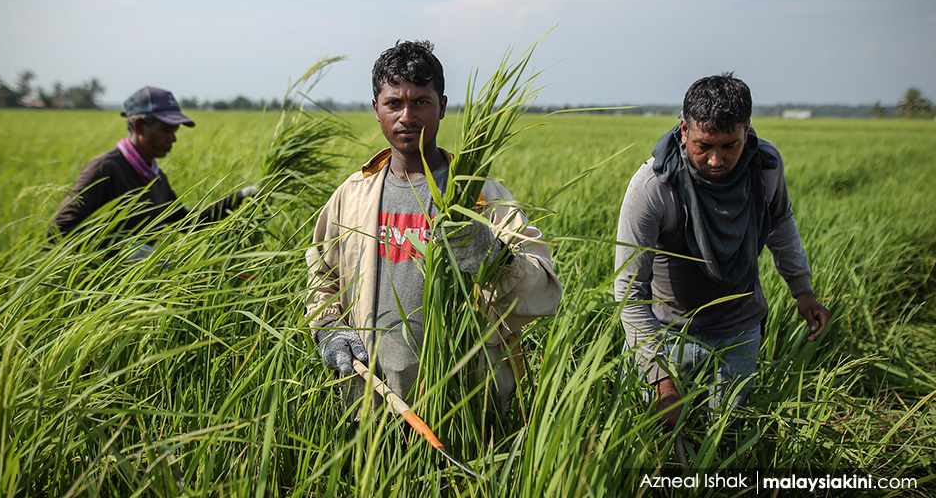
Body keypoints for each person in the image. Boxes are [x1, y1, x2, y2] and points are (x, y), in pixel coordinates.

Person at [305, 40, 562, 417]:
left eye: (421, 102)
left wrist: (491, 255)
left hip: (467, 402)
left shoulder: (479, 196)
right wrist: (327, 327)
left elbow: (543, 287)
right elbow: (322, 273)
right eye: (394, 103)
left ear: (442, 106)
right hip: (371, 402)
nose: (407, 115)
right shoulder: (352, 196)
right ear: (376, 109)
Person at [614, 73, 831, 428]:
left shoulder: (765, 168)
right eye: (703, 146)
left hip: (739, 334)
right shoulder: (654, 188)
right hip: (667, 335)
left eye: (730, 145)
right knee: (652, 443)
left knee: (724, 439)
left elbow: (780, 224)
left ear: (747, 130)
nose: (716, 160)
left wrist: (802, 290)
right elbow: (629, 291)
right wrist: (661, 379)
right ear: (684, 131)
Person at [48, 86, 257, 255]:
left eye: (175, 131)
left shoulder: (155, 178)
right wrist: (123, 252)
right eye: (166, 130)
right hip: (96, 291)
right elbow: (58, 230)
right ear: (140, 126)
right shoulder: (106, 168)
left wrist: (240, 197)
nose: (173, 139)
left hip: (134, 288)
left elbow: (186, 222)